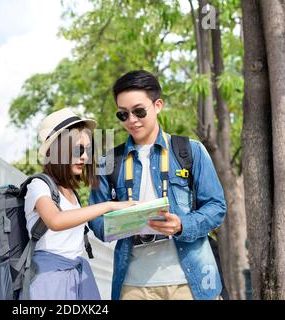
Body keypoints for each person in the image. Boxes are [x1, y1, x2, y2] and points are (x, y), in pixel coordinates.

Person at [88, 70, 227, 300]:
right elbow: (96, 222)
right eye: (123, 115)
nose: (131, 120)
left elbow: (216, 206)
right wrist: (125, 223)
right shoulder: (107, 162)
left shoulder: (191, 151)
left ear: (158, 105)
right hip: (134, 285)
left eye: (139, 111)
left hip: (191, 282)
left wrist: (182, 225)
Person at [25, 108, 136, 300]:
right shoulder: (38, 185)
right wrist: (109, 205)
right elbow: (55, 220)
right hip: (48, 281)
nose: (84, 157)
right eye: (78, 150)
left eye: (87, 150)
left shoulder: (71, 193)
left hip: (77, 277)